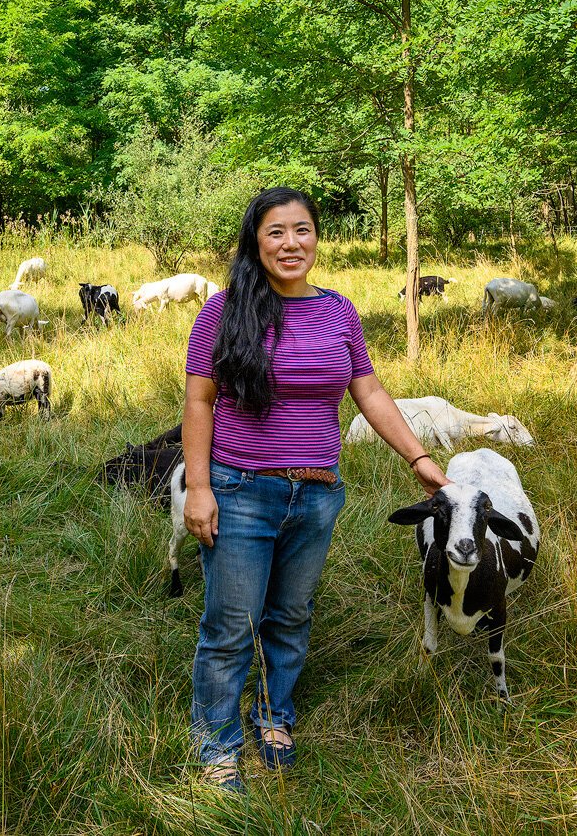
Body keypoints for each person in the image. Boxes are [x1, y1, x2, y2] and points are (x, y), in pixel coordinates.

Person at [181, 186, 451, 792]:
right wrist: (199, 489)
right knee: (230, 625)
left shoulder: (339, 311)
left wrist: (419, 457)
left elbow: (370, 391)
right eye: (276, 232)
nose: (290, 243)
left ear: (317, 238)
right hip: (240, 490)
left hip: (318, 494)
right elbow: (199, 403)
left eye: (302, 230)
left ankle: (275, 715)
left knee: (291, 615)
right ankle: (218, 744)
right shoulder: (222, 312)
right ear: (256, 240)